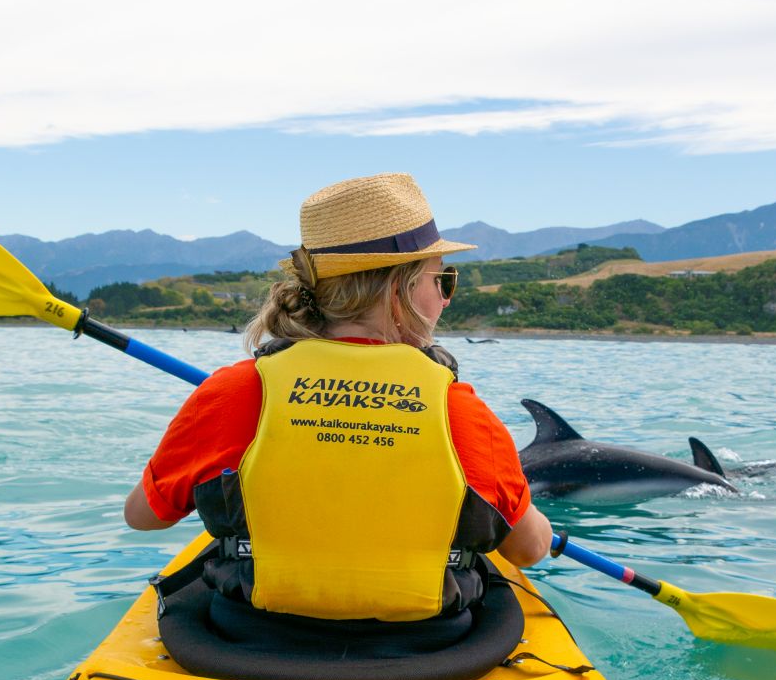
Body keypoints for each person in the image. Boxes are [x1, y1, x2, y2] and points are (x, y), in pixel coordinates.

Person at [125, 172, 551, 624]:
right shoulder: (460, 411)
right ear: (400, 289)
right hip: (426, 645)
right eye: (442, 280)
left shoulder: (231, 392)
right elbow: (530, 548)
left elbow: (142, 516)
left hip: (252, 635)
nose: (445, 299)